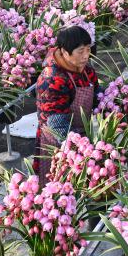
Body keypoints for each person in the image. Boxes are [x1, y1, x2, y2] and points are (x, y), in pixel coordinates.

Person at [35, 26, 98, 185]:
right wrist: (81, 150)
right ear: (64, 51)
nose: (86, 55)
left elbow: (97, 95)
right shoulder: (52, 80)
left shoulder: (85, 70)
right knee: (58, 186)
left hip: (81, 136)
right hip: (58, 143)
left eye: (88, 49)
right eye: (80, 51)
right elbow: (58, 126)